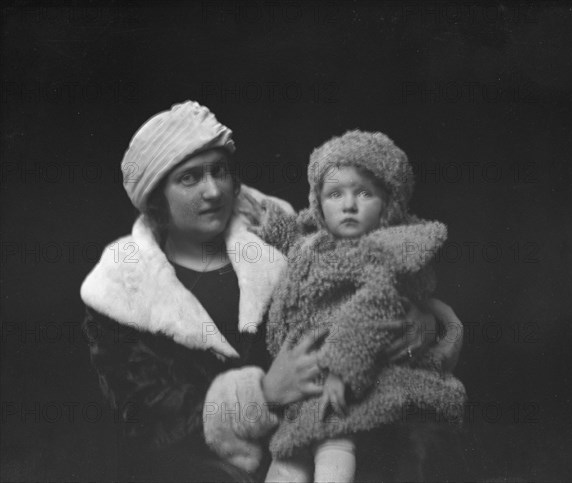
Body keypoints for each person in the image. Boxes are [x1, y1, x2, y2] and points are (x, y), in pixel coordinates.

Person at [80, 101, 464, 482]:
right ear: (155, 197)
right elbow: (146, 418)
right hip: (216, 466)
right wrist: (263, 393)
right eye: (189, 178)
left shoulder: (278, 235)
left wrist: (424, 325)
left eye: (219, 172)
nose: (213, 191)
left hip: (327, 430)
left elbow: (361, 279)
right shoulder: (122, 290)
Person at [243, 130, 466, 482]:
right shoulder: (314, 243)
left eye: (364, 193)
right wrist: (269, 224)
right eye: (334, 194)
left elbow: (371, 308)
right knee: (289, 455)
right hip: (305, 384)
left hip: (350, 375)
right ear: (318, 204)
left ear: (389, 204)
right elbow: (294, 240)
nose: (349, 204)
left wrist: (341, 370)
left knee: (335, 439)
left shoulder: (383, 254)